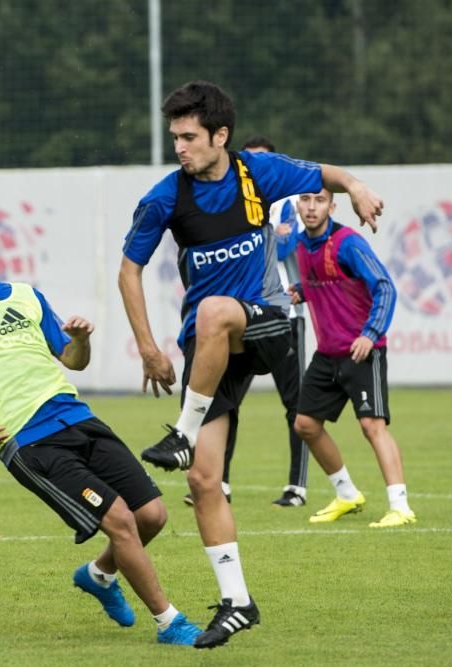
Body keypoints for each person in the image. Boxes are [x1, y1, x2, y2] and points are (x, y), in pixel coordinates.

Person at [118, 81, 384, 649]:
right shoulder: (166, 197)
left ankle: (181, 431)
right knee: (203, 479)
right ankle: (238, 601)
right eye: (174, 138)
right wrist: (147, 345)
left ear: (221, 136)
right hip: (211, 348)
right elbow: (128, 271)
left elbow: (329, 175)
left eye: (189, 137)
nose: (180, 148)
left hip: (265, 325)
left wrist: (357, 188)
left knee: (216, 310)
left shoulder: (257, 173)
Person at [0, 205, 201, 646]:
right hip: (28, 441)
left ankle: (99, 576)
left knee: (152, 516)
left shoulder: (27, 296)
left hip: (79, 418)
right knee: (120, 520)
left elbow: (72, 361)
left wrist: (80, 339)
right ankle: (169, 622)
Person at [181, 135, 310, 509]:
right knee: (226, 402)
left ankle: (296, 487)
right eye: (249, 160)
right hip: (237, 317)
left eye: (262, 161)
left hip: (282, 315)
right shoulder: (227, 203)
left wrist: (267, 228)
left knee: (295, 403)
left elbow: (287, 248)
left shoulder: (286, 205)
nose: (253, 168)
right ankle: (218, 481)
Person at [290, 188, 416, 528]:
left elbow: (384, 286)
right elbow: (324, 281)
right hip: (327, 353)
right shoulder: (301, 244)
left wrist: (370, 334)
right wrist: (301, 291)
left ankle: (400, 507)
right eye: (305, 200)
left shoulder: (348, 242)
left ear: (332, 206)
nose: (311, 207)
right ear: (297, 205)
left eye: (319, 201)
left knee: (372, 426)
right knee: (305, 425)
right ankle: (346, 494)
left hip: (362, 350)